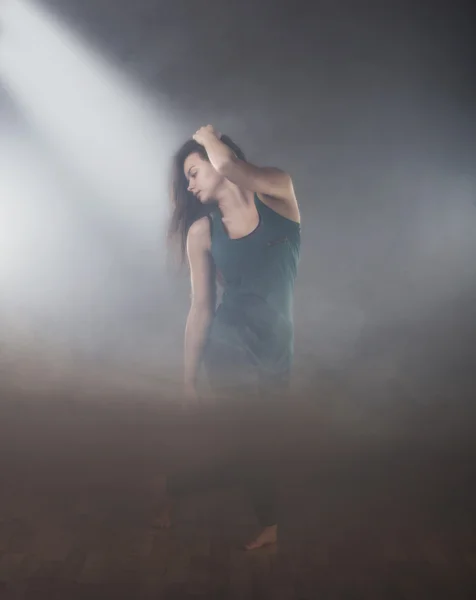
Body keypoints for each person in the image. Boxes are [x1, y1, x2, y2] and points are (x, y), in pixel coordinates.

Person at [156, 124, 301, 550]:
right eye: (187, 176)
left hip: (277, 348)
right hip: (228, 347)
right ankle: (270, 528)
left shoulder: (279, 195)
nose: (189, 182)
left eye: (194, 170)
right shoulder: (203, 232)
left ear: (217, 160)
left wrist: (207, 135)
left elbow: (233, 166)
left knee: (250, 450)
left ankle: (173, 489)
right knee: (254, 441)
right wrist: (188, 381)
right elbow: (200, 308)